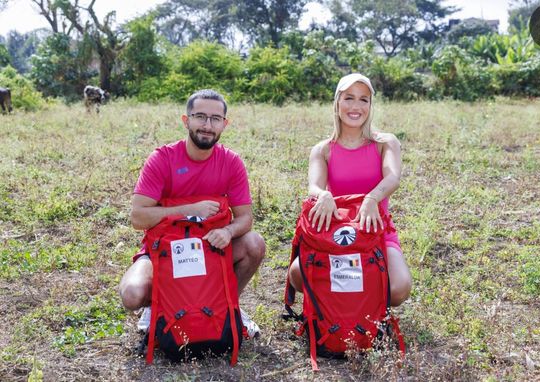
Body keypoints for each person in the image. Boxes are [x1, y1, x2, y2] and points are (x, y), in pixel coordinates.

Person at [119, 89, 265, 337]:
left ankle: (229, 306)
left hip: (212, 251)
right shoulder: (162, 159)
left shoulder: (231, 162)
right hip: (166, 251)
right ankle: (158, 306)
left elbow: (245, 218)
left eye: (215, 119)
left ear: (224, 124)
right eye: (200, 116)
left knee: (254, 244)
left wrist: (228, 231)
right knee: (132, 294)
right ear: (186, 120)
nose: (207, 125)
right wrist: (187, 210)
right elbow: (138, 217)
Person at [288, 73, 412, 306]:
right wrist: (323, 194)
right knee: (297, 273)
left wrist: (372, 198)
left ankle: (361, 306)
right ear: (337, 103)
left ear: (370, 105)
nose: (356, 106)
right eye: (349, 98)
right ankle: (338, 309)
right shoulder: (323, 149)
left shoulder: (385, 143)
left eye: (363, 100)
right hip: (337, 231)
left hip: (375, 229)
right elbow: (313, 186)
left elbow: (393, 177)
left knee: (398, 288)